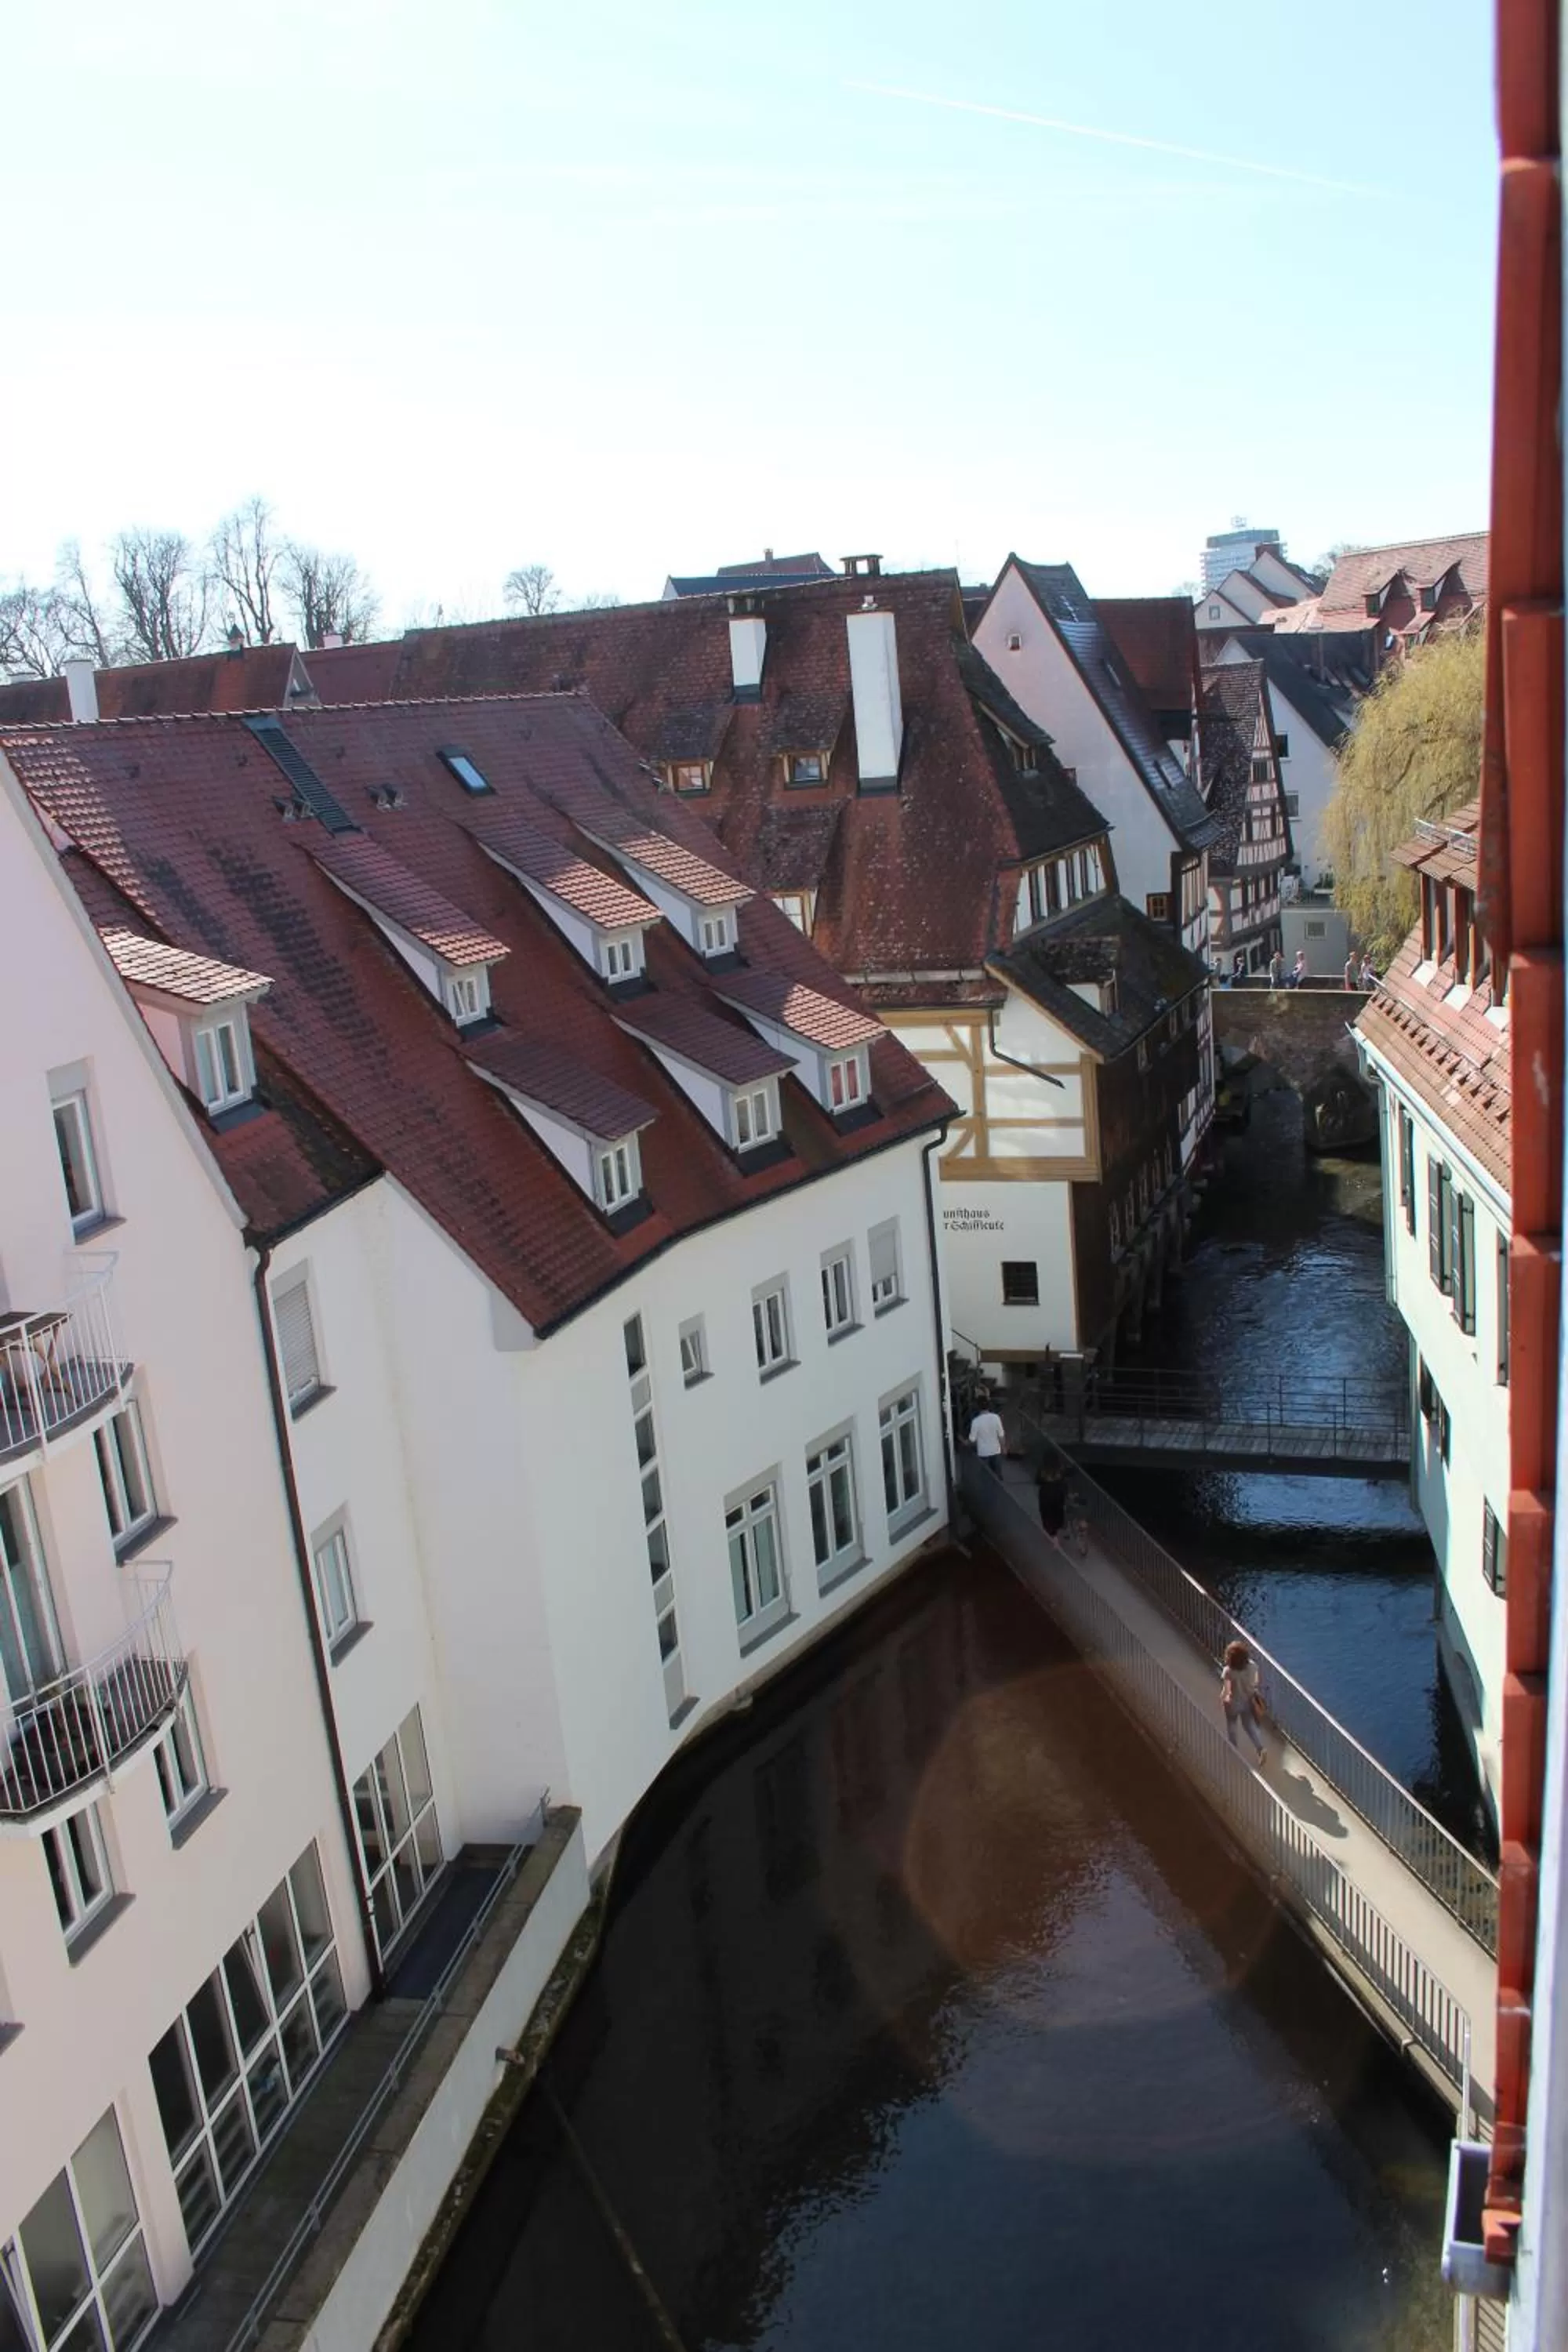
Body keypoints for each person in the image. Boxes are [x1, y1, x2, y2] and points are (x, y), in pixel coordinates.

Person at [1220, 1639, 1267, 1765]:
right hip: (1248, 1701)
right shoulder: (1253, 1666)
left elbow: (1227, 1690)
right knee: (1249, 1726)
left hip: (1233, 1703)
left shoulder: (1228, 1671)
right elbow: (1256, 1682)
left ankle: (1234, 1751)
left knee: (1232, 1725)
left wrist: (1222, 1698)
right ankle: (1260, 1748)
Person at [967, 1397, 1006, 1480]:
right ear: (989, 1406)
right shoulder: (996, 1418)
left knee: (985, 1478)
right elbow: (1001, 1435)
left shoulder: (976, 1421)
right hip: (996, 1452)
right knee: (998, 1477)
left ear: (978, 1407)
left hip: (983, 1453)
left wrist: (965, 1442)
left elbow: (972, 1440)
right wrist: (1003, 1448)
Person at [1036, 1458, 1067, 1537]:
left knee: (1050, 1513)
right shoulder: (1056, 1474)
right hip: (1053, 1494)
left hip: (1049, 1494)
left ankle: (1052, 1530)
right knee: (1055, 1513)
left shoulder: (1045, 1472)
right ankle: (1054, 1529)